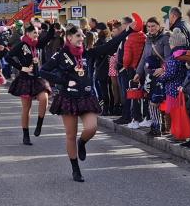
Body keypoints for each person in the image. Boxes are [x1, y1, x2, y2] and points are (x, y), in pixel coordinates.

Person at [42, 22, 132, 181]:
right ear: (69, 37)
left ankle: (82, 142)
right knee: (70, 135)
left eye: (82, 36)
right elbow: (43, 71)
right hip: (68, 97)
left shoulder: (85, 53)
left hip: (86, 96)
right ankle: (75, 169)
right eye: (78, 36)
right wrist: (63, 81)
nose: (82, 38)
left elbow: (110, 45)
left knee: (91, 128)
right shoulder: (61, 54)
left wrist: (127, 31)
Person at [8, 23, 51, 145]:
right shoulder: (21, 45)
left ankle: (39, 124)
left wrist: (50, 25)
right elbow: (8, 57)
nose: (37, 35)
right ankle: (25, 135)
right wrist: (21, 68)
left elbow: (48, 37)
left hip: (37, 78)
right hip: (25, 78)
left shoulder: (37, 44)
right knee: (26, 108)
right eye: (35, 33)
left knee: (44, 98)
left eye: (38, 33)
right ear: (28, 34)